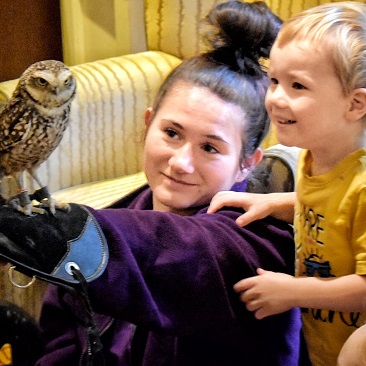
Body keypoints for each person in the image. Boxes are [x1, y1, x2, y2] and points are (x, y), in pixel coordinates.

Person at [0, 1, 303, 365]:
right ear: (148, 124)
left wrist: (82, 236)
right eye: (172, 133)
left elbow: (181, 253)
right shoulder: (121, 214)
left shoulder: (259, 242)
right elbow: (63, 338)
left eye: (210, 147)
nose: (181, 162)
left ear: (245, 164)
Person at [208, 2, 366, 366]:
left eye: (298, 85)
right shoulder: (319, 158)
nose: (276, 97)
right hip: (324, 342)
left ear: (355, 104)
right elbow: (336, 209)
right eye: (275, 80)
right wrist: (277, 203)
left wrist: (293, 292)